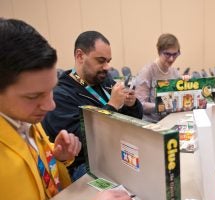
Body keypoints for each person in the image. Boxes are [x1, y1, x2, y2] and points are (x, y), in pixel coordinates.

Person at [0, 18, 134, 200]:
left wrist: (58, 158)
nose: (50, 105)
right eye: (33, 96)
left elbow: (37, 175)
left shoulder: (24, 117)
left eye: (50, 91)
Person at [42, 31, 143, 181]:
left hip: (118, 151)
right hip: (85, 165)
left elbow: (136, 119)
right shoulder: (60, 95)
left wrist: (131, 104)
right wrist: (112, 106)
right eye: (101, 60)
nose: (107, 67)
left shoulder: (105, 81)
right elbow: (80, 144)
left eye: (108, 61)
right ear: (80, 56)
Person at [135, 33, 183, 123]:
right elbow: (140, 105)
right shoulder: (148, 71)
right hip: (152, 123)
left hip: (170, 119)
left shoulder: (174, 72)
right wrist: (163, 105)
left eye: (175, 54)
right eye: (167, 54)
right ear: (159, 51)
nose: (171, 59)